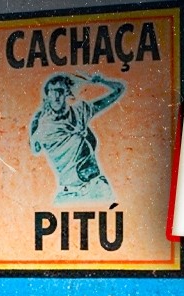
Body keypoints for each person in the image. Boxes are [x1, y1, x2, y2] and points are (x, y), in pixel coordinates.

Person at [29, 72, 125, 203]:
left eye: (60, 91)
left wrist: (101, 81)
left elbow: (119, 90)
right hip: (68, 192)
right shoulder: (43, 124)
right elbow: (35, 149)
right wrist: (35, 123)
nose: (56, 96)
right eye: (52, 92)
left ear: (66, 93)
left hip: (96, 187)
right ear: (47, 95)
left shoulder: (80, 111)